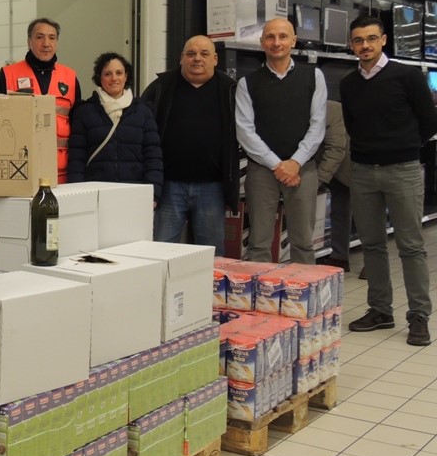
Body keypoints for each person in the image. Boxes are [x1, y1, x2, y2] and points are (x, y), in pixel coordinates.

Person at [340, 15, 436, 346]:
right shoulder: (348, 84)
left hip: (402, 170)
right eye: (358, 40)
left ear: (383, 40)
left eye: (371, 38)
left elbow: (429, 120)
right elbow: (351, 125)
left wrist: (404, 146)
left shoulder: (407, 76)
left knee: (411, 246)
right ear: (351, 45)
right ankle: (380, 310)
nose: (364, 45)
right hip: (363, 171)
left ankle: (419, 316)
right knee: (372, 245)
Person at [235, 18, 327, 265]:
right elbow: (245, 131)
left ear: (293, 41)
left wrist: (295, 163)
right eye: (270, 37)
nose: (277, 42)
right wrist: (278, 165)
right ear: (262, 42)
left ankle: (303, 290)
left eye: (283, 36)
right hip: (262, 171)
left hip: (303, 169)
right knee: (258, 243)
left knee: (303, 242)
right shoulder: (247, 83)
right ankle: (262, 290)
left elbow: (317, 126)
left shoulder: (314, 77)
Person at [141, 35, 238, 256]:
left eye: (204, 54)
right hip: (169, 186)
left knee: (211, 255)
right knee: (160, 252)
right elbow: (143, 131)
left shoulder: (230, 90)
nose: (197, 59)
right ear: (181, 58)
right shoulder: (161, 87)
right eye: (191, 54)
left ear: (215, 59)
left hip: (212, 188)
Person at [0, 18, 82, 184]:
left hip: (61, 174)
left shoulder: (70, 77)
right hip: (20, 171)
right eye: (40, 37)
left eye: (52, 38)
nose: (46, 43)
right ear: (29, 42)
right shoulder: (8, 75)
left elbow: (79, 129)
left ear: (57, 42)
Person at [66, 52, 163, 201]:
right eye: (107, 74)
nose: (114, 78)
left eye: (119, 73)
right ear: (99, 78)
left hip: (135, 192)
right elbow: (76, 159)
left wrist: (154, 194)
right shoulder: (84, 112)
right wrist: (76, 193)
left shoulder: (143, 112)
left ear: (126, 76)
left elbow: (153, 156)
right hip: (95, 193)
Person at [314, 100, 352, 272]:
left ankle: (373, 264)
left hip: (350, 165)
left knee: (365, 215)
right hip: (329, 165)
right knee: (339, 212)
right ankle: (339, 257)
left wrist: (318, 180)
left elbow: (336, 150)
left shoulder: (332, 108)